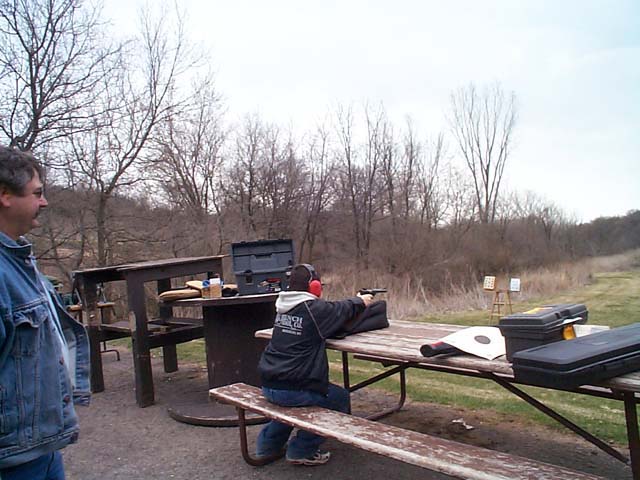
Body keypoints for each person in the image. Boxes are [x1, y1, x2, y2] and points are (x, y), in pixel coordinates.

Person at [0, 146, 90, 479]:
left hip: (40, 448)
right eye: (37, 193)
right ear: (5, 195)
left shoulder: (20, 260)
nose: (45, 201)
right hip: (13, 460)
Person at [256, 263, 373, 466]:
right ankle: (303, 449)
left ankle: (267, 446)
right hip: (292, 389)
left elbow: (331, 311)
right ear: (314, 287)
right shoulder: (313, 309)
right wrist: (361, 301)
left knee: (288, 405)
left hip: (269, 383)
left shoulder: (283, 306)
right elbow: (342, 309)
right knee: (340, 398)